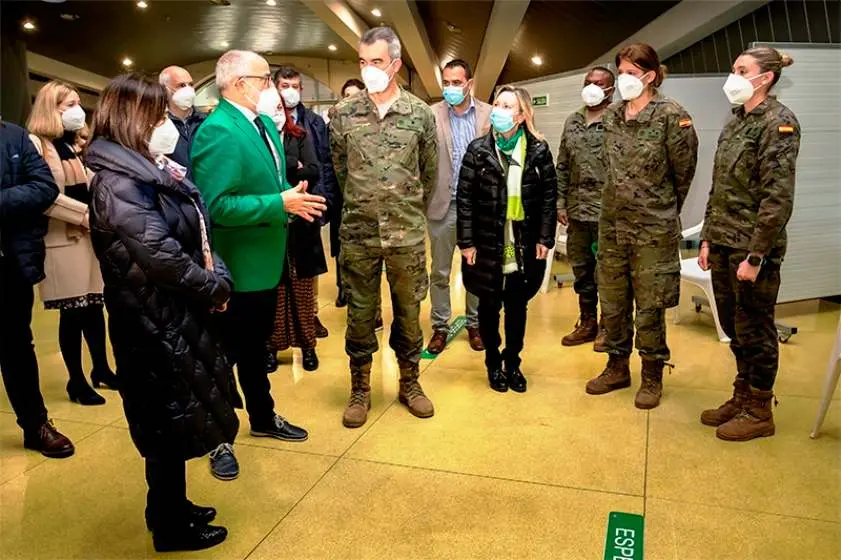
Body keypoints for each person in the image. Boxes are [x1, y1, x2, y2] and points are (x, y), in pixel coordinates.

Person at [86, 73, 237, 552]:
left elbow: (198, 232)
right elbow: (163, 257)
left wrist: (218, 274)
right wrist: (214, 288)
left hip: (169, 316)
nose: (166, 123)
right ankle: (170, 527)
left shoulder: (151, 169)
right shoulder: (120, 184)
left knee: (172, 417)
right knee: (167, 422)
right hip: (153, 322)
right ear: (132, 120)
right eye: (156, 115)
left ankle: (170, 506)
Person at [191, 50, 326, 480]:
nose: (272, 88)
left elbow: (271, 183)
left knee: (255, 350)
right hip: (238, 267)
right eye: (264, 79)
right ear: (237, 84)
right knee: (221, 357)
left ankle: (263, 417)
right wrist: (277, 202)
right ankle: (217, 441)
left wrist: (290, 197)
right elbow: (216, 205)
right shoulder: (217, 131)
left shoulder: (264, 125)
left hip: (268, 261)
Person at [329, 27, 437, 428]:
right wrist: (367, 205)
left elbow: (428, 173)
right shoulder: (342, 114)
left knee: (409, 313)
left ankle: (410, 383)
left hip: (406, 235)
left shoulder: (419, 115)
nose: (368, 69)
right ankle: (359, 388)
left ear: (395, 64)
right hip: (358, 234)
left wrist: (403, 210)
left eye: (376, 62)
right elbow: (341, 171)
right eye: (362, 62)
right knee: (359, 314)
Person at [585, 43, 698, 409]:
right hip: (613, 227)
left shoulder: (672, 116)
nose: (624, 80)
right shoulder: (614, 115)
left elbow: (683, 174)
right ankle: (617, 367)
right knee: (614, 303)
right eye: (621, 72)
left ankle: (651, 375)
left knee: (650, 306)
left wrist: (657, 208)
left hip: (653, 229)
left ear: (650, 75)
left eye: (631, 73)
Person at [698, 47, 800, 441]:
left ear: (766, 77)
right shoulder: (736, 120)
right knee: (733, 325)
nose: (734, 76)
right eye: (734, 69)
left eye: (742, 70)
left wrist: (757, 255)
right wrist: (707, 238)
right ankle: (741, 395)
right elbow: (719, 185)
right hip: (723, 241)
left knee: (755, 329)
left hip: (752, 249)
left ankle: (760, 408)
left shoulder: (779, 123)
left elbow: (777, 198)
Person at [457, 85, 557, 393]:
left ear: (522, 115)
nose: (499, 110)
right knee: (488, 305)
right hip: (487, 241)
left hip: (522, 241)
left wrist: (545, 238)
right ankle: (492, 362)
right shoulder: (478, 150)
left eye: (507, 106)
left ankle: (512, 362)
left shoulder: (539, 150)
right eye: (497, 104)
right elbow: (465, 200)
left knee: (516, 305)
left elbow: (548, 199)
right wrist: (467, 242)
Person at [26, 81, 118, 406]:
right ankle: (76, 382)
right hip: (61, 241)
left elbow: (90, 184)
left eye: (79, 103)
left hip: (86, 240)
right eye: (70, 104)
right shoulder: (38, 145)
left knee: (94, 308)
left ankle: (102, 369)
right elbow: (45, 197)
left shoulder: (68, 147)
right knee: (73, 314)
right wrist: (89, 217)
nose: (78, 110)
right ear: (51, 109)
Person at [0, 119, 75, 459]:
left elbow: (43, 186)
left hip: (8, 263)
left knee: (17, 346)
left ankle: (35, 426)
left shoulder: (13, 136)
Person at [426, 59, 491, 355]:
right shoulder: (431, 114)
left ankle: (475, 323)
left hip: (478, 209)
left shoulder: (490, 114)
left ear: (469, 83)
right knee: (439, 271)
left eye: (456, 82)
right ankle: (440, 326)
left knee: (475, 269)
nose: (451, 88)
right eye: (446, 83)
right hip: (442, 205)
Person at [273, 65, 338, 339]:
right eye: (284, 86)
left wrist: (325, 200)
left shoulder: (312, 121)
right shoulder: (267, 121)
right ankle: (279, 330)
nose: (290, 92)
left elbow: (320, 164)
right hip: (276, 206)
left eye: (295, 86)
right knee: (280, 272)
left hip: (310, 200)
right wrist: (292, 163)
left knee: (308, 270)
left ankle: (310, 317)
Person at [556, 67, 615, 351]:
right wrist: (560, 202)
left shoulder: (618, 120)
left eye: (599, 84)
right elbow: (563, 165)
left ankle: (609, 327)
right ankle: (587, 322)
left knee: (608, 272)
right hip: (578, 211)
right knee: (581, 270)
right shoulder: (573, 121)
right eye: (588, 82)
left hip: (608, 212)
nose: (592, 87)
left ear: (611, 90)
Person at [266, 94, 323, 373]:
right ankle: (272, 348)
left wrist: (288, 163)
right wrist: (293, 165)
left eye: (280, 107)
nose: (278, 112)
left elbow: (313, 171)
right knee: (274, 290)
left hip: (301, 220)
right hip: (270, 221)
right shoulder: (257, 139)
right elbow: (262, 177)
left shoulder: (298, 135)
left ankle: (308, 346)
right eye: (273, 107)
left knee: (301, 287)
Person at [331, 78, 364, 308]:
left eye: (355, 94)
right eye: (346, 95)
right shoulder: (334, 123)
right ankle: (343, 288)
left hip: (364, 200)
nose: (350, 99)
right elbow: (331, 161)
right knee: (341, 247)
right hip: (341, 196)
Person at [159, 66, 205, 180]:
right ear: (165, 90)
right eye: (181, 85)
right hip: (175, 193)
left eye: (191, 84)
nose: (189, 90)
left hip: (206, 193)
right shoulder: (157, 126)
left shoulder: (205, 121)